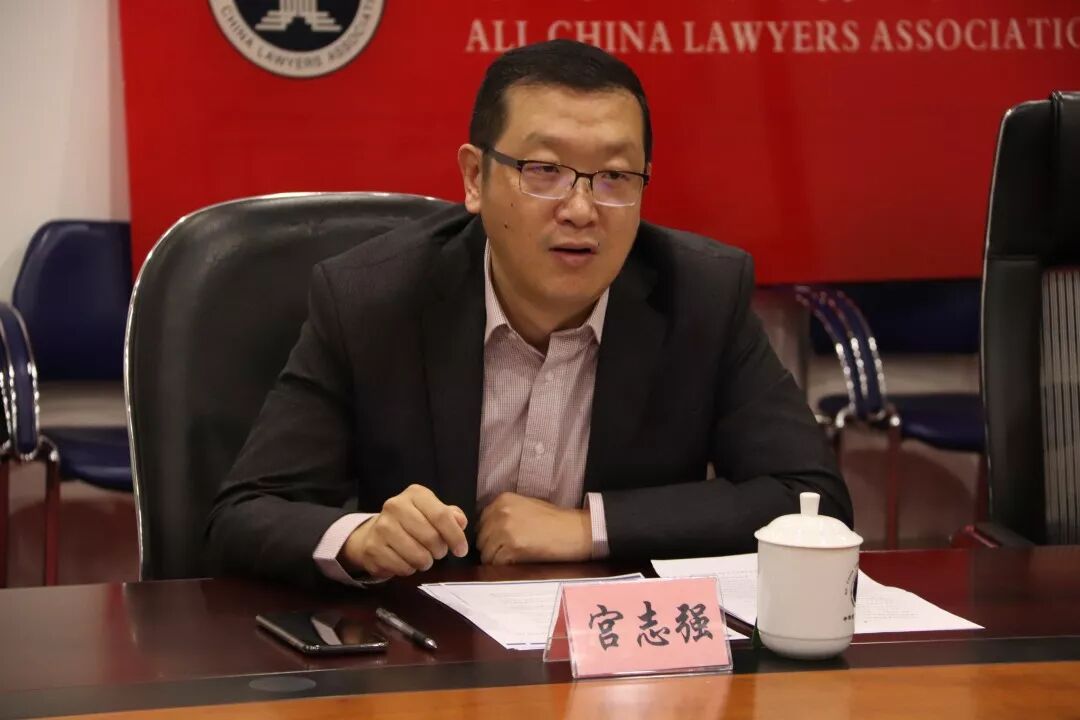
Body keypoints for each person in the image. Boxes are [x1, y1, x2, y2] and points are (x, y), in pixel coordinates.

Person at [206, 39, 852, 589]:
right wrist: (360, 538)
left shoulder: (701, 295)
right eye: (544, 170)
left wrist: (590, 528)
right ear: (474, 178)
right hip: (427, 658)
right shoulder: (371, 300)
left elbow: (811, 499)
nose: (581, 209)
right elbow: (245, 513)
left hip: (624, 662)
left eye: (614, 177)